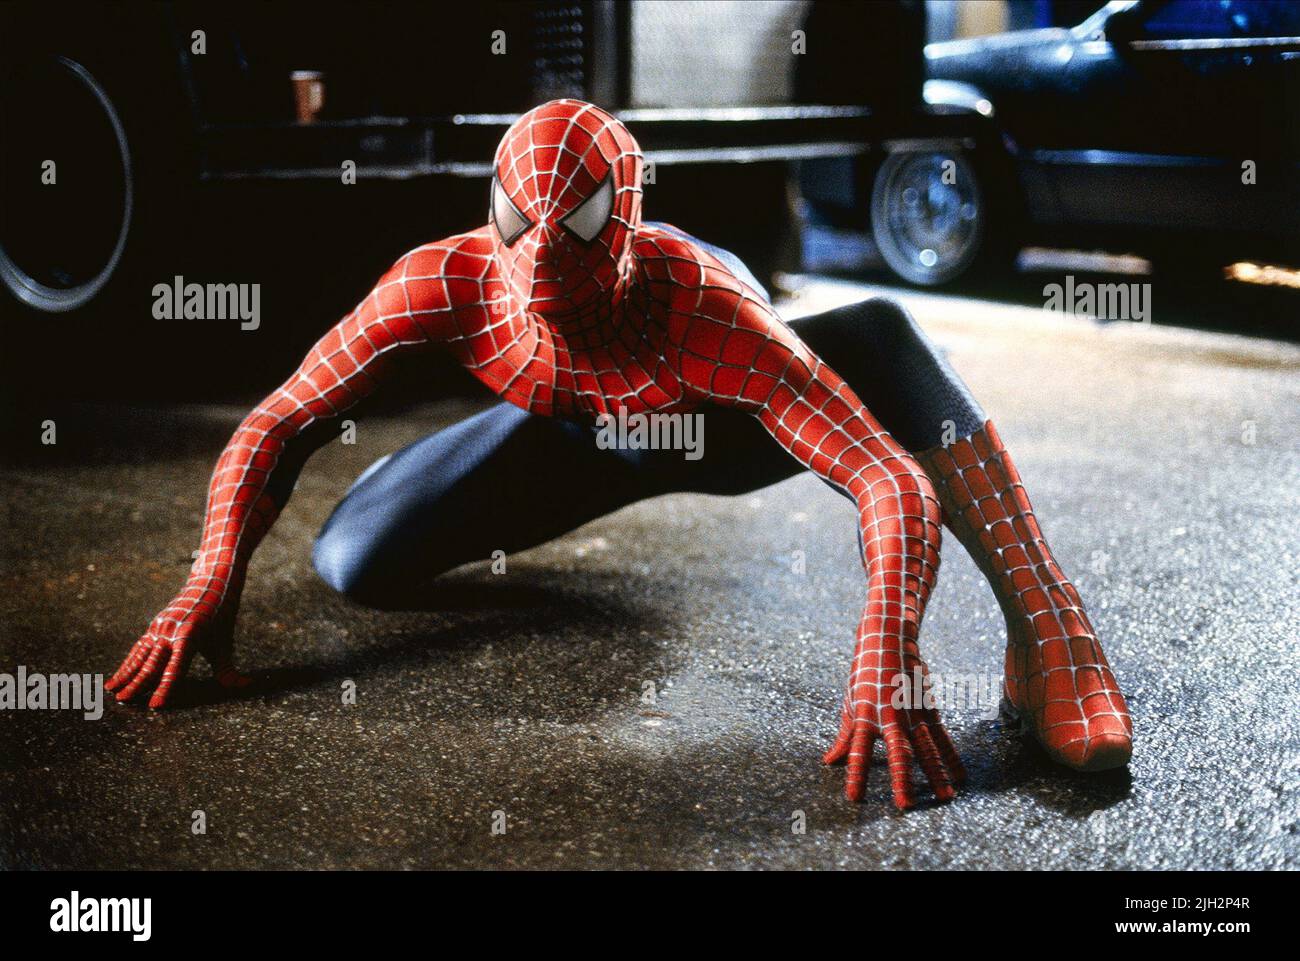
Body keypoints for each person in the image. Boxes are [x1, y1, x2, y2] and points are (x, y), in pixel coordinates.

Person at [108, 100, 1131, 809]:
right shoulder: (445, 280)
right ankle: (419, 483)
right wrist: (212, 572)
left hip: (722, 428)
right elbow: (278, 419)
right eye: (522, 223)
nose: (544, 248)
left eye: (580, 222)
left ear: (627, 221)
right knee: (353, 561)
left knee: (875, 338)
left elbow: (885, 477)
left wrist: (886, 649)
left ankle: (1049, 626)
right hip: (569, 434)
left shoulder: (704, 308)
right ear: (491, 211)